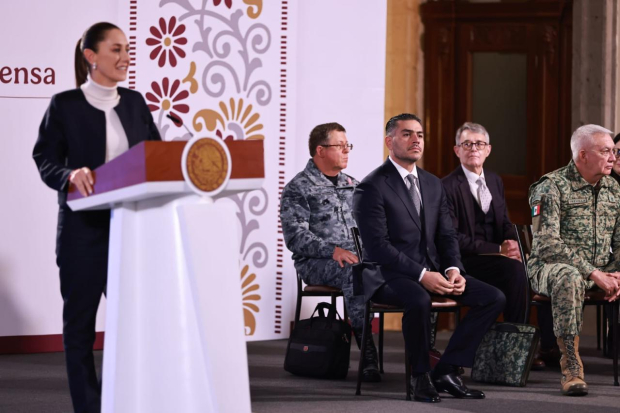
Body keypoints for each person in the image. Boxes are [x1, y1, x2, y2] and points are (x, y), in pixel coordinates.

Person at [33, 22, 161, 413]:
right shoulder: (64, 104)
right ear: (91, 56)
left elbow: (154, 156)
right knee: (80, 331)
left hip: (131, 231)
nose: (125, 57)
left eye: (127, 49)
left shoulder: (135, 103)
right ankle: (88, 407)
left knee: (134, 328)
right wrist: (70, 175)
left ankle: (122, 400)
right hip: (82, 235)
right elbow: (45, 159)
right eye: (116, 49)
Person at [353, 113, 505, 403]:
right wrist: (423, 276)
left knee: (493, 297)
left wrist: (453, 269)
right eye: (407, 134)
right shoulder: (372, 186)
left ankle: (446, 370)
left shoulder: (433, 184)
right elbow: (377, 249)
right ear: (389, 141)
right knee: (419, 299)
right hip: (387, 274)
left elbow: (446, 236)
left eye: (420, 135)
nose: (416, 140)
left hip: (433, 270)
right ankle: (420, 376)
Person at [280, 122, 381, 382]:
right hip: (316, 262)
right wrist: (332, 250)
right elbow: (296, 237)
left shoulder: (353, 185)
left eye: (349, 145)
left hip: (357, 258)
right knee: (353, 273)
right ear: (320, 150)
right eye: (341, 146)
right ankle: (368, 355)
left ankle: (424, 354)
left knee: (411, 267)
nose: (347, 151)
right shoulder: (298, 187)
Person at [528, 124, 620, 396]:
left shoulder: (613, 188)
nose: (613, 157)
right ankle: (571, 368)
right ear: (583, 155)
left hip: (601, 271)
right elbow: (546, 243)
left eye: (614, 151)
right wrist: (594, 273)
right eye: (605, 151)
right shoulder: (551, 186)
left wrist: (617, 273)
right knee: (568, 276)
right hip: (549, 269)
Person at [442, 122, 527, 323]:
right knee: (514, 270)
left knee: (531, 267)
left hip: (497, 259)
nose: (473, 149)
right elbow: (453, 237)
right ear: (457, 150)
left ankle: (534, 343)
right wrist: (499, 249)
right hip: (466, 260)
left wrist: (517, 247)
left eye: (479, 144)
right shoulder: (446, 186)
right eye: (467, 144)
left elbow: (505, 223)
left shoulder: (495, 180)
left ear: (488, 150)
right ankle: (513, 337)